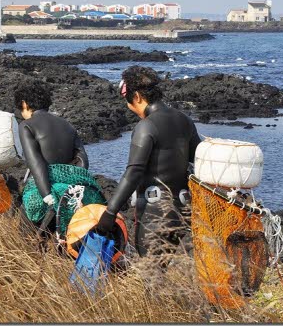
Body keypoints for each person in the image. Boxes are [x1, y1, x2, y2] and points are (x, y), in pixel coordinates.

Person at [96, 66, 201, 257]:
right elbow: (197, 160)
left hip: (155, 213)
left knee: (151, 276)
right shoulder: (184, 120)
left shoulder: (146, 126)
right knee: (172, 274)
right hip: (184, 211)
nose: (128, 105)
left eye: (127, 99)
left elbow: (134, 172)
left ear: (136, 96)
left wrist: (110, 213)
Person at [14, 82, 88, 210]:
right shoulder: (67, 124)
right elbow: (82, 158)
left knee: (24, 223)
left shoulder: (26, 125)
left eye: (20, 108)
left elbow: (35, 162)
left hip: (46, 189)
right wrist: (74, 186)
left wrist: (47, 195)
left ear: (24, 103)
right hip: (70, 187)